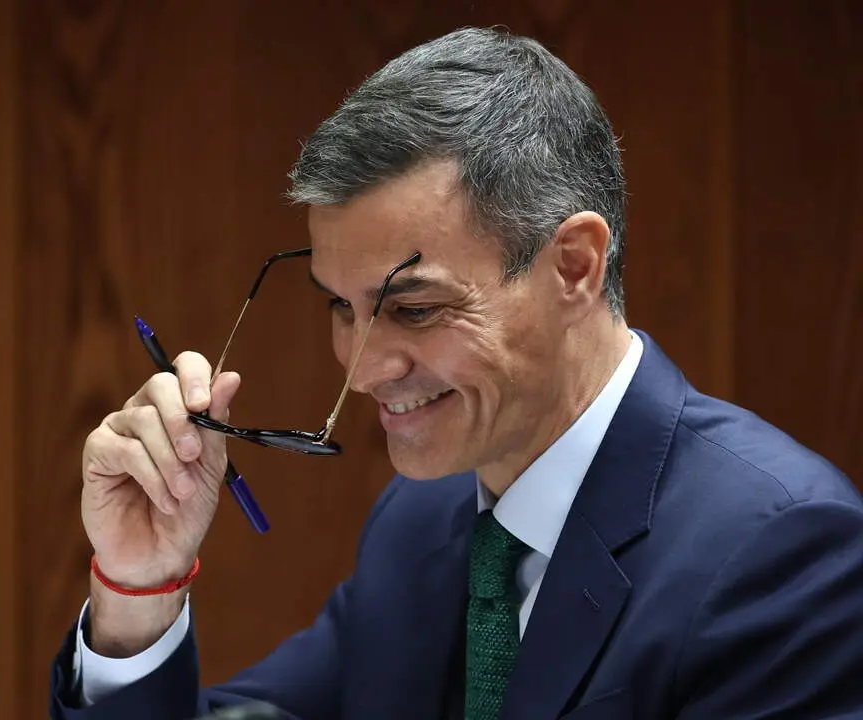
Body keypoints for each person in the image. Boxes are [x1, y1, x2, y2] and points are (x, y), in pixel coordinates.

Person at [48, 26, 863, 719]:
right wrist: (139, 592)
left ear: (574, 266)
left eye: (414, 309)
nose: (362, 373)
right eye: (341, 307)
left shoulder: (783, 551)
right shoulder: (423, 520)